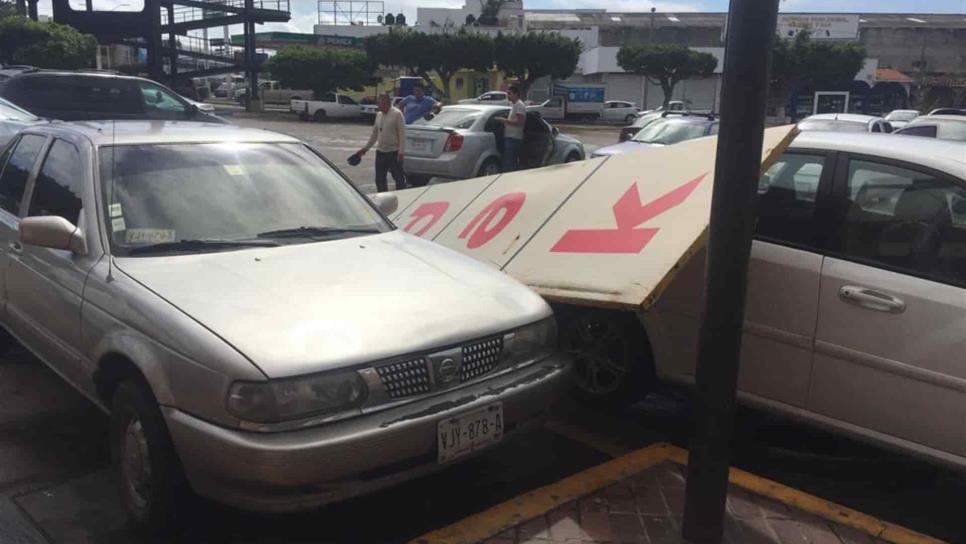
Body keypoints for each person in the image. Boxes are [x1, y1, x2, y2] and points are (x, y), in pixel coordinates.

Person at [356, 94, 407, 192]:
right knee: (379, 180)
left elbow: (402, 134)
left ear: (387, 103)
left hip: (394, 152)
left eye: (380, 103)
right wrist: (365, 149)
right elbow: (375, 134)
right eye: (378, 103)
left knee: (399, 179)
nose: (378, 106)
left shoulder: (397, 114)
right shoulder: (379, 115)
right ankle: (383, 199)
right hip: (380, 152)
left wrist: (401, 152)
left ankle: (403, 197)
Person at [498, 85, 527, 172]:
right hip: (510, 136)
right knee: (509, 159)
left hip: (514, 138)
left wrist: (505, 121)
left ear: (516, 94)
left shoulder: (519, 105)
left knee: (511, 161)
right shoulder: (514, 105)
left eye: (509, 94)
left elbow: (520, 122)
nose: (508, 96)